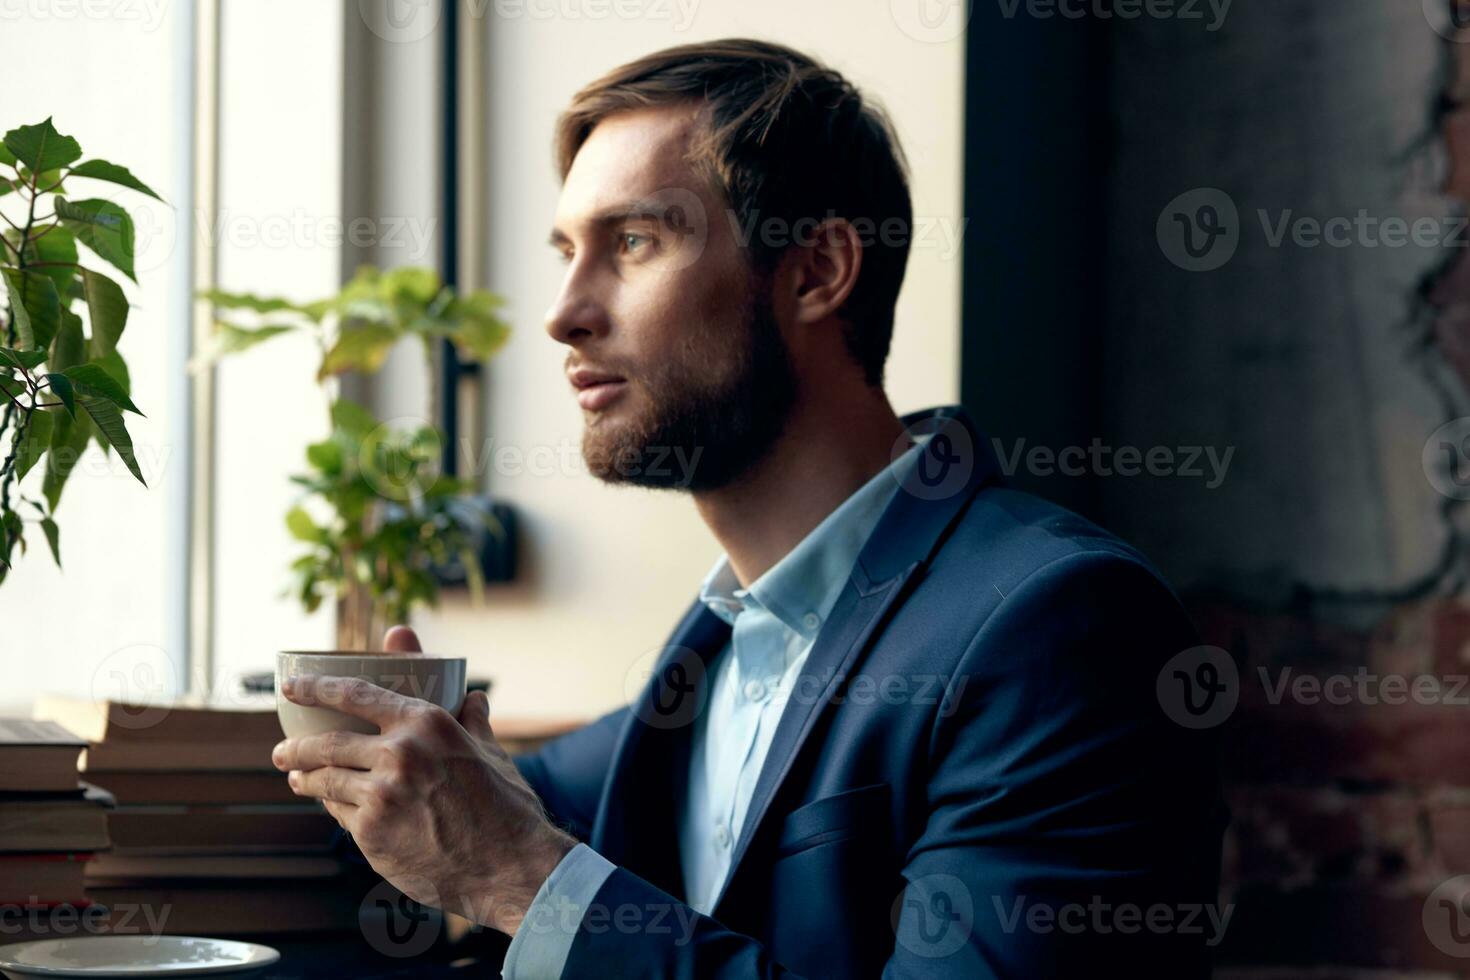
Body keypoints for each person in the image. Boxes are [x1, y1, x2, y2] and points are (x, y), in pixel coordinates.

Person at [273, 38, 1227, 977]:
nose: (565, 312)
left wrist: (524, 878)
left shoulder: (1059, 627)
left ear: (816, 274)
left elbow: (523, 858)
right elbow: (487, 799)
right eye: (569, 250)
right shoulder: (715, 653)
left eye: (635, 241)